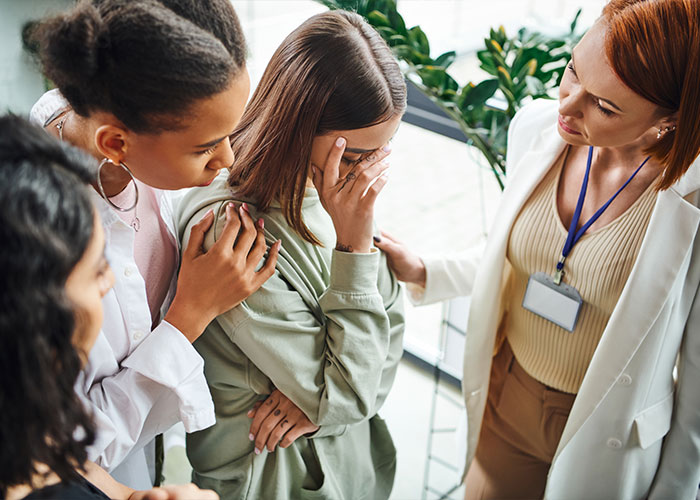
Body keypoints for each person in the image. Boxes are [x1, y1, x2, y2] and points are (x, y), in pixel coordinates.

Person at [376, 0, 700, 498]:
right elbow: (524, 258)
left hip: (608, 433)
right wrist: (426, 270)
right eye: (573, 71)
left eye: (605, 106)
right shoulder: (536, 128)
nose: (566, 106)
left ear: (670, 122)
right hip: (508, 400)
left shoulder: (692, 204)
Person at [28, 0, 279, 488]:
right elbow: (57, 450)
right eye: (206, 147)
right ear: (115, 144)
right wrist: (189, 316)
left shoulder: (146, 143)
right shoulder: (39, 248)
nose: (227, 160)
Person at [175, 10, 406, 499]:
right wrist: (353, 250)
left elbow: (391, 332)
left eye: (382, 151)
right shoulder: (231, 229)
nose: (370, 173)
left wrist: (332, 400)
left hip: (347, 466)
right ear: (301, 126)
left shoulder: (336, 192)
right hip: (271, 477)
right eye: (360, 154)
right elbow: (345, 393)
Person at [0, 115, 219, 500]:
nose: (111, 281)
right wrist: (184, 322)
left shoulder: (30, 438)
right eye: (99, 270)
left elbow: (86, 474)